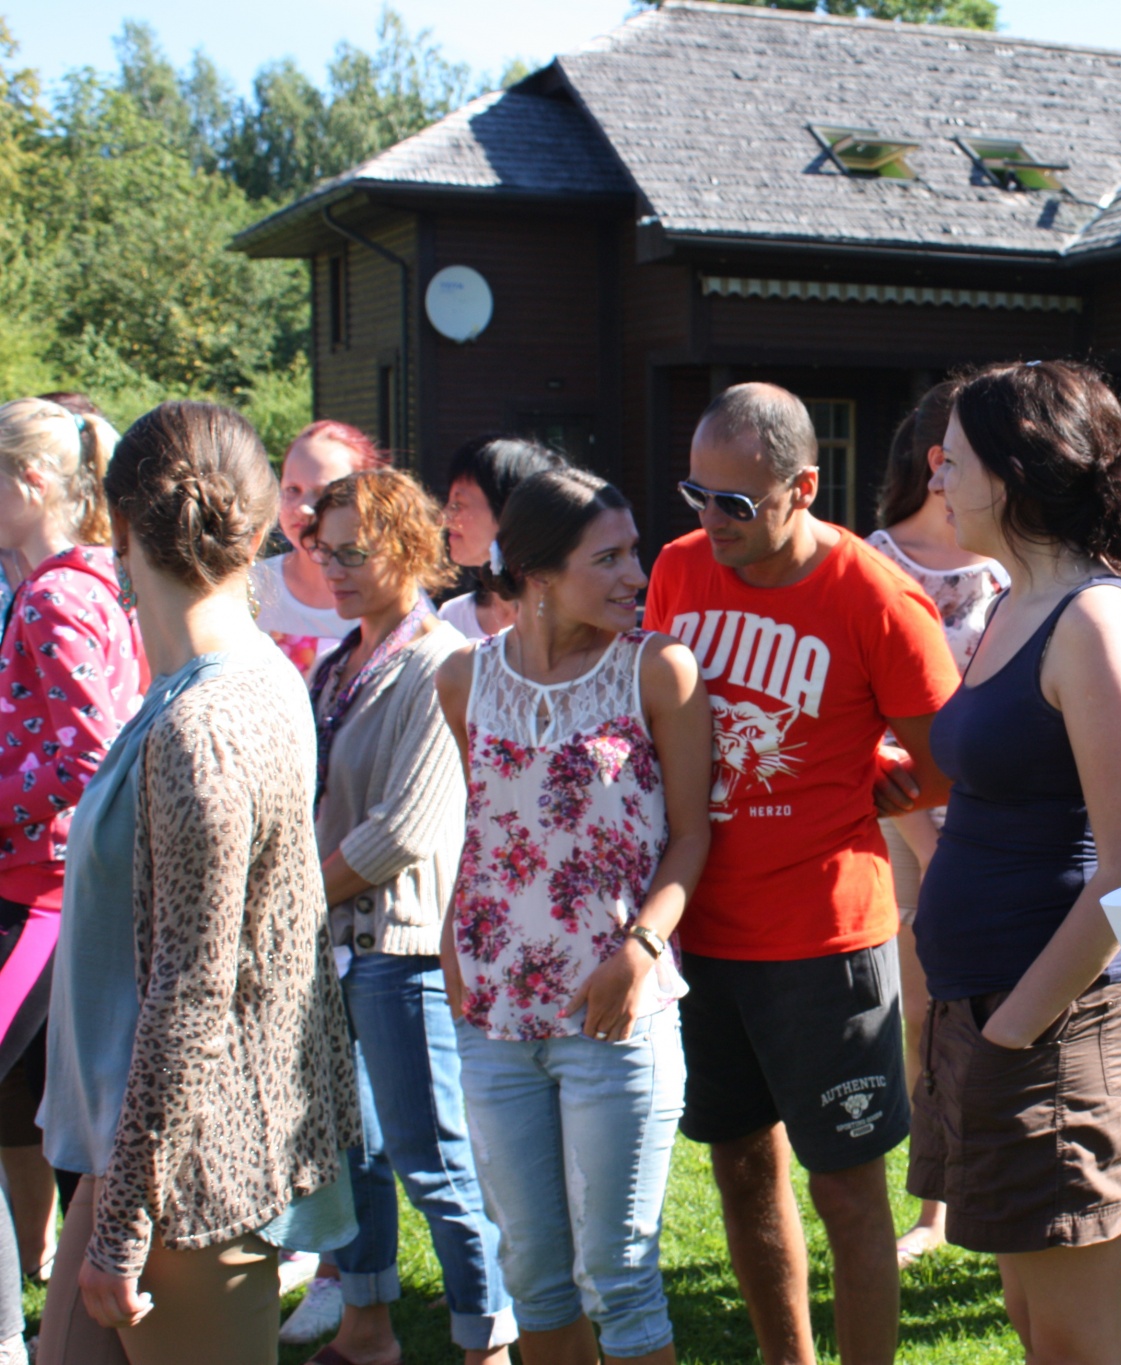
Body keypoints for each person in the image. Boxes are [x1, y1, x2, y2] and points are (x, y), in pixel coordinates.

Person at [641, 382, 958, 1365]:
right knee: (740, 1167)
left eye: (735, 501)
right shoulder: (678, 568)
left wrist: (880, 790)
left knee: (848, 1191)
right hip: (704, 933)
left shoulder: (875, 597)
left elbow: (949, 759)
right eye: (696, 494)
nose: (711, 519)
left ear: (803, 488)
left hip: (826, 945)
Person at [39, 400, 360, 1365]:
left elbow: (192, 995)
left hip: (185, 1182)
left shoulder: (207, 724)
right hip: (134, 1152)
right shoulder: (228, 683)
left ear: (119, 527)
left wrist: (124, 1222)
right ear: (259, 533)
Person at [909, 359, 1121, 1365]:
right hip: (990, 1014)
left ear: (1015, 472)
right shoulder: (1012, 601)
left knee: (1075, 1336)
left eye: (953, 459)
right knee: (1032, 1317)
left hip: (1053, 1021)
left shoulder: (1093, 619)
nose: (935, 476)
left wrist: (1013, 1028)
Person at [437, 467, 711, 1365]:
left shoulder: (658, 669)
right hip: (494, 1017)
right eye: (610, 558)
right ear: (538, 573)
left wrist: (642, 948)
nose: (637, 574)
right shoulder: (462, 678)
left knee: (619, 1279)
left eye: (635, 552)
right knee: (534, 1278)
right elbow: (484, 823)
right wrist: (451, 939)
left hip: (615, 1013)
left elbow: (691, 836)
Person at [304, 469, 516, 1364]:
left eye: (355, 550)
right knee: (351, 1154)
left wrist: (289, 899)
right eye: (323, 550)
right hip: (336, 944)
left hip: (402, 951)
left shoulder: (439, 660)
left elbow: (404, 830)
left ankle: (487, 1343)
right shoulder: (336, 664)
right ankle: (367, 1331)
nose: (335, 568)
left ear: (411, 547)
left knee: (435, 1163)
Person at [865, 377, 1009, 1267]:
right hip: (904, 822)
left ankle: (996, 1181)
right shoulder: (872, 564)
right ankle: (935, 1205)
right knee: (922, 1013)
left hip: (995, 815)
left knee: (1001, 1005)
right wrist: (927, 834)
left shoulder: (1002, 565)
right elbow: (869, 722)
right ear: (938, 461)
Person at [0, 400, 142, 1298]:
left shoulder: (59, 593)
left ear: (31, 482)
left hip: (44, 893)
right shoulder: (92, 577)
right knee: (58, 1126)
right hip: (57, 886)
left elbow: (93, 752)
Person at [253, 420, 387, 678]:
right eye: (292, 489)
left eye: (324, 493)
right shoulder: (249, 587)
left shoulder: (389, 595)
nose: (303, 508)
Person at [439, 433, 567, 639]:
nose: (445, 518)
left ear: (512, 513)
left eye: (458, 504)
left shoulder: (570, 624)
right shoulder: (452, 618)